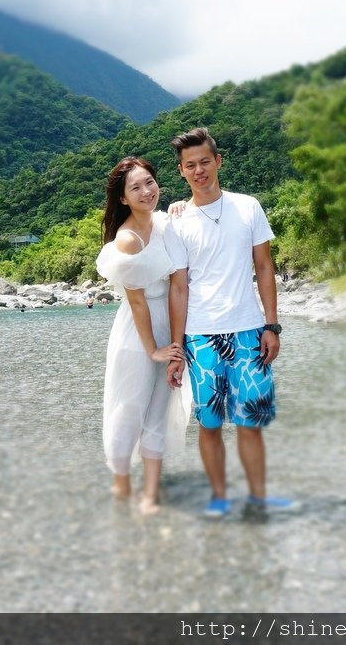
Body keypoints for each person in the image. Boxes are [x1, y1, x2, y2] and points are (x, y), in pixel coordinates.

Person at [164, 127, 297, 518]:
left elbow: (264, 267)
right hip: (200, 335)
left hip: (248, 329)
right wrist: (176, 349)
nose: (199, 170)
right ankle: (220, 497)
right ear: (181, 172)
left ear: (218, 161)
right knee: (208, 423)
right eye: (191, 165)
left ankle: (258, 497)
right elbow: (178, 288)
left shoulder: (248, 206)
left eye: (205, 161)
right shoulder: (177, 221)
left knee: (250, 421)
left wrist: (271, 326)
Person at [96, 157, 187, 515]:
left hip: (168, 321)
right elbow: (137, 303)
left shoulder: (163, 222)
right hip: (137, 333)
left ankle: (150, 492)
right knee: (129, 408)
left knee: (159, 410)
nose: (146, 191)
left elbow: (178, 221)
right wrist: (153, 350)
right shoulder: (127, 240)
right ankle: (120, 481)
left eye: (149, 182)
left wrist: (180, 205)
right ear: (122, 198)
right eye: (136, 187)